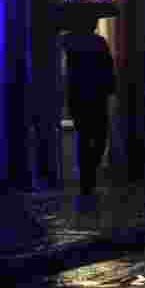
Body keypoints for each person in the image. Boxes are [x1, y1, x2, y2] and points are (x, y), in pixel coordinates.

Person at [61, 15, 116, 199]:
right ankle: (90, 171)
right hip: (96, 96)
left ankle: (87, 177)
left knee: (84, 138)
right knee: (99, 136)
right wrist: (110, 88)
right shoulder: (99, 42)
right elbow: (108, 68)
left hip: (78, 97)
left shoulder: (70, 43)